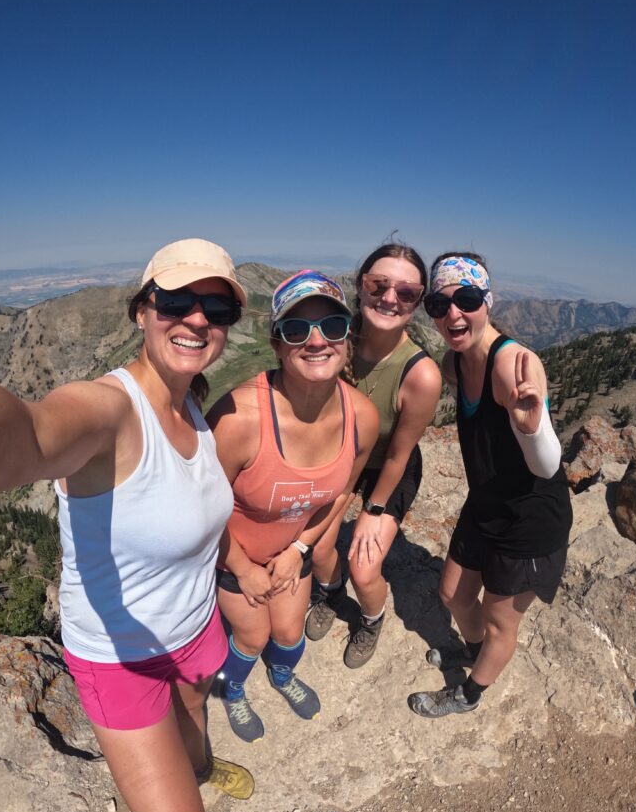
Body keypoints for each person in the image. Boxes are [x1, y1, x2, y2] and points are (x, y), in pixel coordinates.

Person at [0, 238, 254, 812]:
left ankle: (196, 772)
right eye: (176, 300)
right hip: (119, 656)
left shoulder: (191, 405)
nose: (197, 319)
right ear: (142, 310)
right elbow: (26, 434)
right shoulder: (111, 411)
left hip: (194, 627)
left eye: (217, 305)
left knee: (196, 717)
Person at [208, 270, 379, 741]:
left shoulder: (362, 417)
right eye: (297, 329)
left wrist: (300, 549)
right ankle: (230, 688)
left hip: (292, 553)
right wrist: (242, 568)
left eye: (332, 326)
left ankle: (280, 676)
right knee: (252, 636)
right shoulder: (238, 420)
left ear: (348, 339)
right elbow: (200, 511)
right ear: (278, 344)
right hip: (230, 557)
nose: (317, 340)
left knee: (287, 633)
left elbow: (342, 491)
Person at [408, 252, 573, 717]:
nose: (453, 313)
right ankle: (473, 650)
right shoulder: (456, 361)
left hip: (529, 521)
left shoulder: (513, 364)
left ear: (488, 301)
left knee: (502, 622)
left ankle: (469, 694)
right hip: (486, 503)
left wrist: (531, 425)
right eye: (439, 305)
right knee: (454, 595)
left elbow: (546, 466)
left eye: (466, 299)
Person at [306, 244, 442, 667]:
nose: (389, 298)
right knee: (318, 547)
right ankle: (330, 593)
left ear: (418, 302)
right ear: (360, 286)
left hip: (389, 468)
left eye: (406, 293)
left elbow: (400, 454)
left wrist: (374, 508)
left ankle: (370, 619)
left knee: (364, 567)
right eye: (378, 285)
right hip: (346, 457)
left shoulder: (420, 373)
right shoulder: (337, 337)